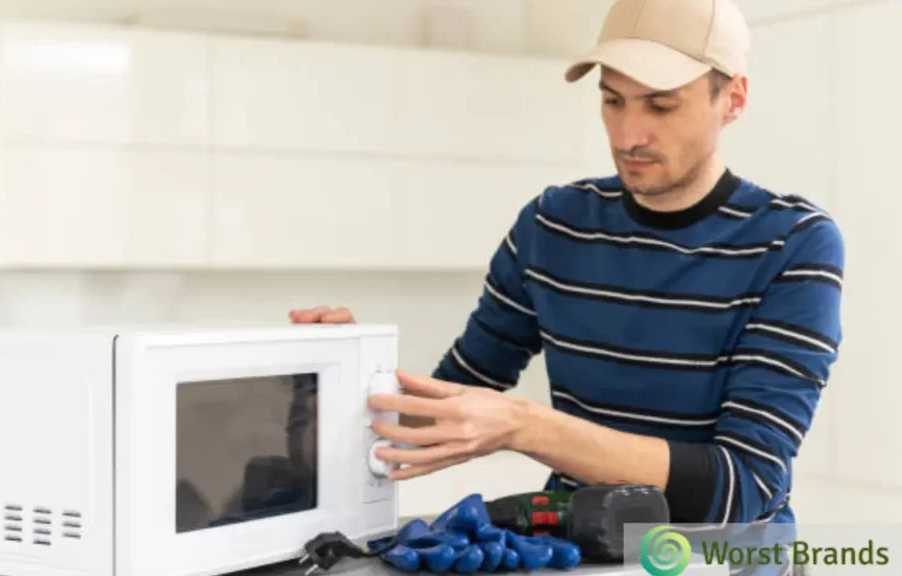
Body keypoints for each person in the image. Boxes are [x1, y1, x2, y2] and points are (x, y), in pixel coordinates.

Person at [290, 0, 843, 532]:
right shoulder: (554, 225)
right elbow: (447, 407)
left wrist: (527, 427)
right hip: (581, 548)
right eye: (613, 101)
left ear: (733, 99)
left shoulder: (793, 244)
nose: (629, 136)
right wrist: (339, 373)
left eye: (661, 105)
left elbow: (741, 491)